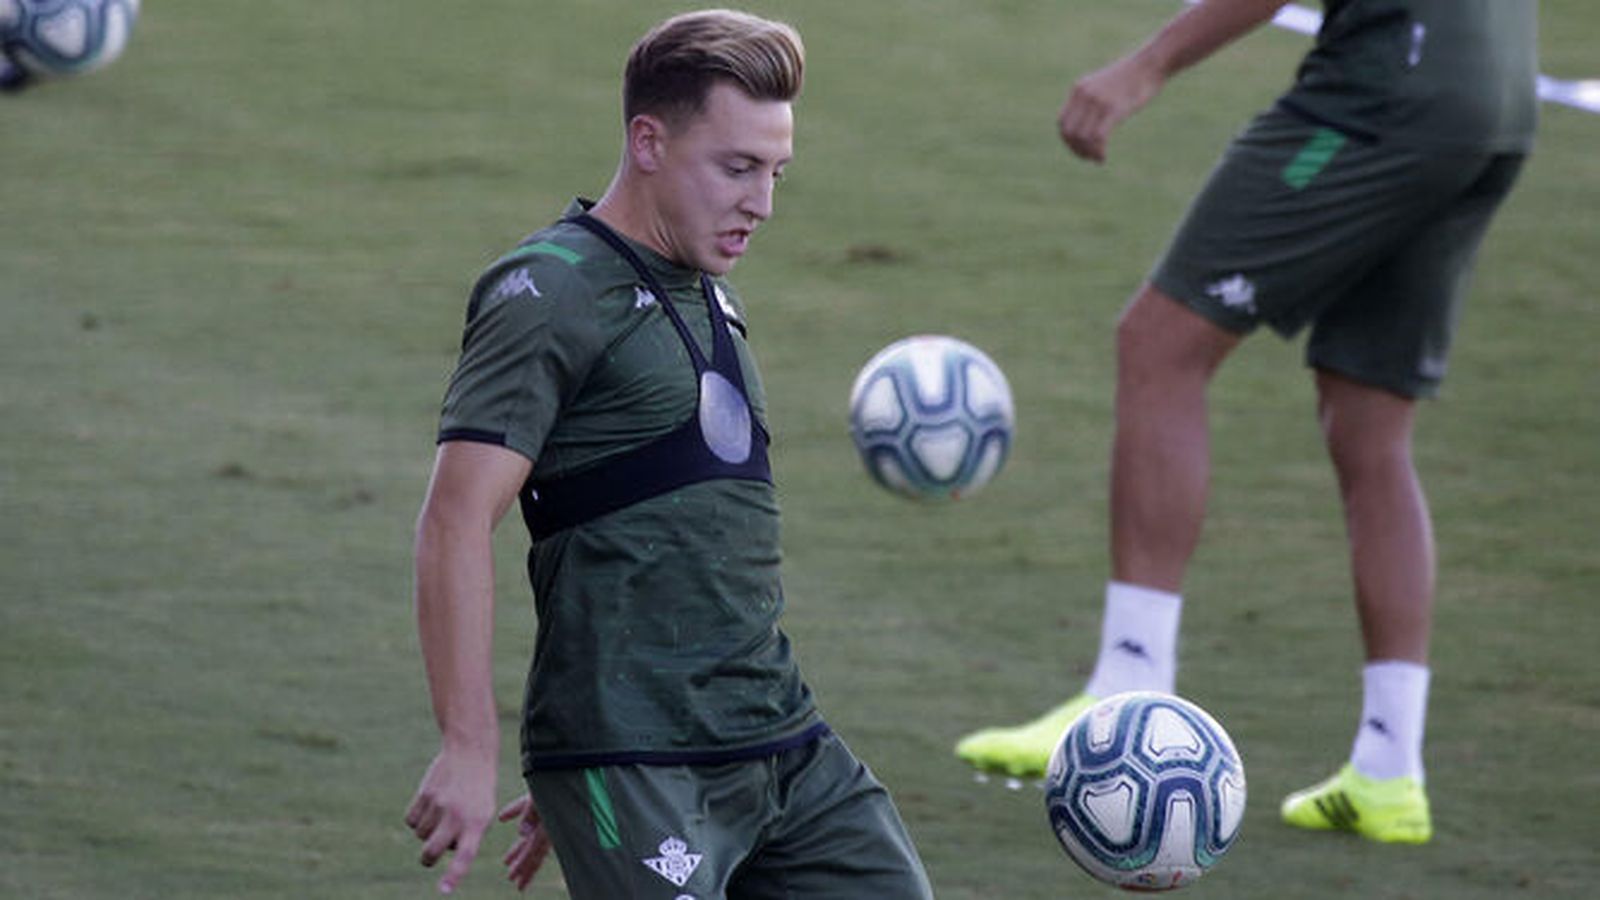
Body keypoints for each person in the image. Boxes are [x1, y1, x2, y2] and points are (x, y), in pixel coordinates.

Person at [955, 0, 1537, 846]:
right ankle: (1388, 769)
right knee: (1370, 425)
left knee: (1160, 344)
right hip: (1495, 102)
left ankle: (1128, 690)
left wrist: (1141, 67)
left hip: (1383, 96)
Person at [402, 9, 933, 897]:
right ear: (648, 141)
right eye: (736, 168)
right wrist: (476, 745)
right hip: (637, 758)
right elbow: (455, 516)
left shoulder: (705, 293)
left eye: (775, 172)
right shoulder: (550, 291)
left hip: (775, 736)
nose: (760, 202)